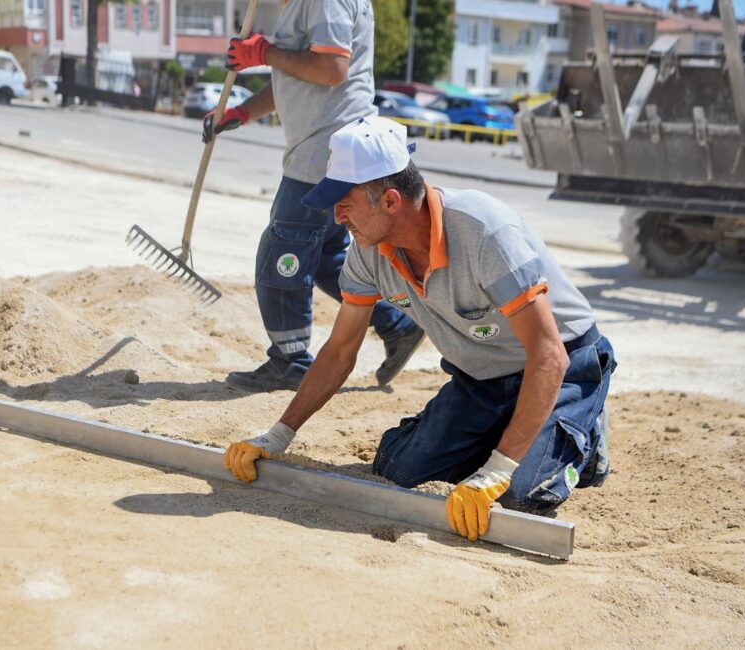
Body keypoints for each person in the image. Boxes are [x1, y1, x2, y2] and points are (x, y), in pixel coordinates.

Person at [222, 116, 616, 541]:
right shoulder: (368, 251)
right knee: (398, 469)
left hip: (564, 369)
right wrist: (278, 435)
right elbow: (339, 352)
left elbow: (548, 354)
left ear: (390, 201)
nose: (337, 218)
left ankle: (585, 439)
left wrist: (497, 470)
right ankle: (511, 435)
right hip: (482, 379)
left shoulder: (486, 232)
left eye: (345, 203)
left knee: (522, 494)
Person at [200, 0, 424, 393]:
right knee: (325, 260)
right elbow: (297, 76)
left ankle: (290, 361)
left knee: (282, 254)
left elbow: (331, 69)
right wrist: (241, 112)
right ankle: (398, 324)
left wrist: (264, 52)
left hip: (325, 153)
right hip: (326, 152)